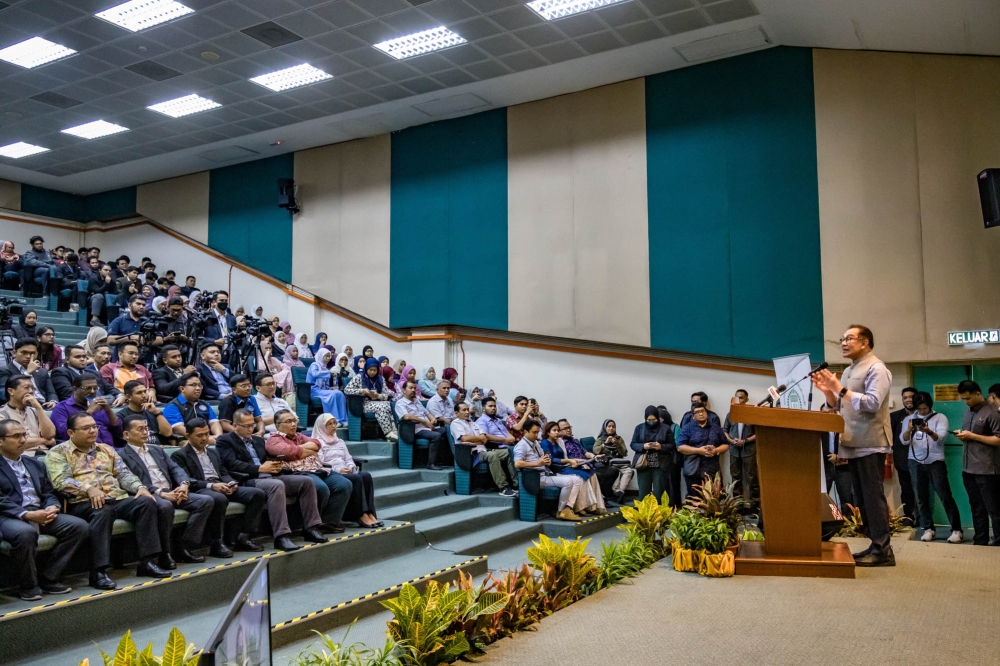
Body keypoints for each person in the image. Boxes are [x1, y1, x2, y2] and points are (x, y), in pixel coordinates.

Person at [45, 412, 169, 589]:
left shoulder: (106, 449)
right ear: (71, 433)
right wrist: (88, 488)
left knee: (146, 502)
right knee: (103, 510)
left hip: (115, 497)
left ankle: (147, 562)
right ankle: (98, 571)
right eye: (86, 428)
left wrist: (139, 487)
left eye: (94, 426)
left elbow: (123, 474)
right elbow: (60, 481)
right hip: (81, 502)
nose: (92, 431)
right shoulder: (58, 452)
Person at [812, 324, 895, 567]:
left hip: (871, 442)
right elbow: (840, 405)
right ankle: (875, 544)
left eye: (850, 338)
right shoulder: (850, 370)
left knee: (872, 497)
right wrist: (828, 393)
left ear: (865, 342)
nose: (844, 343)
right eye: (843, 339)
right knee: (862, 498)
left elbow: (872, 403)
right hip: (852, 442)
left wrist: (839, 388)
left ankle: (883, 550)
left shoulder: (877, 368)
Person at [0, 419, 89, 600]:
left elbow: (49, 492)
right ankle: (28, 586)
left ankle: (49, 577)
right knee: (25, 533)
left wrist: (52, 506)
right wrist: (26, 514)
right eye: (16, 436)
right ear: (1, 441)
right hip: (9, 516)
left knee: (79, 527)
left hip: (40, 511)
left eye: (24, 435)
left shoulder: (35, 464)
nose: (23, 440)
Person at [215, 409, 326, 551]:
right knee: (276, 485)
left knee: (306, 482)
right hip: (248, 479)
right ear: (235, 426)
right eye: (246, 426)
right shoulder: (225, 440)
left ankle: (311, 528)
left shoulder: (258, 440)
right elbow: (230, 463)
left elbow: (269, 458)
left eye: (252, 425)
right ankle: (281, 536)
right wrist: (259, 468)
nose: (250, 429)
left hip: (270, 475)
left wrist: (274, 465)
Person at [118, 413, 215, 567]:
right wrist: (160, 492)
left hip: (172, 491)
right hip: (150, 494)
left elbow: (175, 468)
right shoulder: (121, 455)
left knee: (206, 501)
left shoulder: (156, 449)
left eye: (146, 428)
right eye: (140, 429)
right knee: (165, 506)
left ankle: (184, 546)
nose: (145, 432)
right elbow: (132, 481)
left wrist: (183, 484)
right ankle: (165, 553)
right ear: (126, 434)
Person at [171, 418, 273, 554]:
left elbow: (223, 472)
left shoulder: (213, 452)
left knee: (257, 494)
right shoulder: (179, 455)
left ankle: (244, 536)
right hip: (202, 489)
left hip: (221, 485)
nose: (204, 438)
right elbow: (187, 480)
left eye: (207, 434)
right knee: (219, 498)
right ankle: (217, 542)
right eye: (200, 435)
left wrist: (231, 483)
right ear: (188, 436)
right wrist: (212, 486)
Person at [266, 410, 352, 533]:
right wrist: (305, 450)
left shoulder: (299, 436)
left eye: (294, 421)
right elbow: (289, 452)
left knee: (344, 484)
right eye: (288, 421)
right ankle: (313, 524)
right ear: (277, 425)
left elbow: (316, 444)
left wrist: (297, 450)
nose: (293, 424)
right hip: (295, 473)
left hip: (316, 469)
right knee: (321, 488)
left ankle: (328, 522)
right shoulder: (273, 440)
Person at [900, 391, 962, 543]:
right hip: (915, 461)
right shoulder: (909, 419)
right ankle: (928, 528)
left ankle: (956, 530)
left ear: (930, 406)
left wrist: (928, 431)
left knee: (944, 495)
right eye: (919, 409)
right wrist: (909, 429)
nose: (922, 412)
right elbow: (903, 440)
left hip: (935, 461)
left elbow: (940, 438)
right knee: (920, 497)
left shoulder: (940, 417)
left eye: (925, 408)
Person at [953, 380, 1000, 547]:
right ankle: (980, 541)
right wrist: (963, 435)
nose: (966, 402)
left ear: (978, 394)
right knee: (976, 507)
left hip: (986, 469)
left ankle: (998, 542)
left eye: (968, 398)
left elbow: (998, 439)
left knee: (994, 508)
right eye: (963, 399)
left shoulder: (992, 412)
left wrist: (972, 436)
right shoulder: (968, 412)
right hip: (968, 468)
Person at [313, 413, 380, 528]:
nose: (333, 426)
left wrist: (351, 467)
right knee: (356, 478)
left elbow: (348, 459)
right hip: (331, 473)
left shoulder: (340, 441)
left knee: (366, 476)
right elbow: (320, 463)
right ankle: (360, 515)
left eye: (334, 423)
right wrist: (339, 470)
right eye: (329, 424)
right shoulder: (317, 443)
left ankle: (370, 512)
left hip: (346, 471)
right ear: (321, 426)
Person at [514, 420, 583, 521]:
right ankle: (560, 511)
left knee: (576, 480)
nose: (536, 435)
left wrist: (547, 461)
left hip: (545, 473)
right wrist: (538, 464)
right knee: (568, 482)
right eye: (534, 432)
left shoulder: (536, 443)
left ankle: (567, 509)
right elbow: (517, 463)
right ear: (525, 431)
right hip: (535, 477)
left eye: (537, 432)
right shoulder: (521, 445)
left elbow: (543, 457)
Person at [450, 401, 517, 496]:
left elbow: (484, 439)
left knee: (508, 452)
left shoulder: (473, 423)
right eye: (464, 410)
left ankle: (515, 484)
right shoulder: (455, 424)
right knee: (492, 455)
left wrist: (477, 439)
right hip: (472, 453)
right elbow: (464, 438)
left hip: (483, 449)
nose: (467, 412)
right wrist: (479, 439)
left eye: (467, 409)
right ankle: (503, 487)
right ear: (457, 413)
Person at [542, 421, 606, 515]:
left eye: (558, 430)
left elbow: (567, 456)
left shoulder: (558, 441)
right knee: (580, 476)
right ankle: (578, 507)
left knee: (590, 473)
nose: (557, 432)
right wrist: (570, 461)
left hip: (564, 465)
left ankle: (592, 506)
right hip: (555, 469)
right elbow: (551, 459)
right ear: (548, 432)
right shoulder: (545, 443)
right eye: (554, 430)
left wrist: (581, 460)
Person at [51, 374, 122, 446]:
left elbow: (118, 432)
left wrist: (108, 410)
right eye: (87, 388)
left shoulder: (99, 405)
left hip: (110, 449)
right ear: (75, 389)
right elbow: (65, 434)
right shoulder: (62, 408)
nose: (92, 391)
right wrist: (89, 412)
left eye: (95, 388)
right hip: (82, 449)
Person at [677, 402, 728, 495]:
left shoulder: (715, 427)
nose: (701, 413)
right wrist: (699, 451)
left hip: (712, 470)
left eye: (702, 411)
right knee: (694, 498)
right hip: (694, 470)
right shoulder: (687, 428)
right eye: (697, 412)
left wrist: (716, 450)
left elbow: (725, 444)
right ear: (693, 416)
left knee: (714, 498)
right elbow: (680, 447)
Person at [395, 380, 448, 470]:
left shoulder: (416, 400)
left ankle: (445, 460)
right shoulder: (400, 403)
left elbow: (426, 412)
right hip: (415, 429)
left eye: (414, 388)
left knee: (447, 429)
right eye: (410, 388)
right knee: (437, 436)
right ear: (404, 390)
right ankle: (431, 463)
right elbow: (406, 417)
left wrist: (432, 418)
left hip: (427, 426)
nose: (413, 390)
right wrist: (424, 422)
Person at [630, 405, 677, 506]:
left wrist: (661, 447)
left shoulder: (666, 428)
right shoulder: (639, 428)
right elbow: (633, 444)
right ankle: (643, 514)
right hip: (644, 465)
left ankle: (658, 514)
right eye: (649, 420)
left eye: (654, 419)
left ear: (658, 418)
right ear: (645, 418)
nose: (651, 422)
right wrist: (643, 446)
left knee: (659, 493)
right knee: (643, 493)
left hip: (660, 465)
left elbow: (672, 445)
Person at [343, 358, 399, 442]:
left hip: (378, 402)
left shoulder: (381, 379)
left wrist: (378, 396)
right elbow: (346, 390)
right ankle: (388, 433)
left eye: (375, 370)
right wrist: (361, 391)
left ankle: (393, 431)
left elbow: (386, 395)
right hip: (364, 403)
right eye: (370, 370)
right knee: (382, 407)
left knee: (388, 405)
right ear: (366, 368)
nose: (372, 372)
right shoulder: (359, 377)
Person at [0, 375, 56, 456]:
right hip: (22, 455)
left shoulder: (35, 410)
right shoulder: (2, 413)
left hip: (46, 453)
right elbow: (13, 443)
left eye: (32, 388)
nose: (30, 391)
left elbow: (50, 435)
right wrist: (45, 441)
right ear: (11, 391)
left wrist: (39, 407)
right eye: (26, 388)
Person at [724, 389, 759, 512]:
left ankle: (755, 507)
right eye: (737, 397)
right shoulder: (730, 414)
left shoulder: (752, 414)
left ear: (747, 399)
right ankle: (738, 506)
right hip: (734, 450)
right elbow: (725, 431)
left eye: (741, 398)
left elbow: (758, 433)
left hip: (749, 450)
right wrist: (731, 440)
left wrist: (745, 441)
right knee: (736, 479)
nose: (739, 400)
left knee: (752, 478)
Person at [889, 386, 918, 526]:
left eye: (911, 397)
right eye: (905, 397)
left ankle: (924, 518)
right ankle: (908, 516)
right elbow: (890, 439)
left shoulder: (924, 415)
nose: (908, 400)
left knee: (922, 488)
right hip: (902, 459)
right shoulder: (895, 416)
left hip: (922, 459)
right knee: (906, 489)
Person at [162, 374, 222, 441]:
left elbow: (214, 423)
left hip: (208, 438)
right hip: (186, 441)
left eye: (199, 385)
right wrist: (204, 439)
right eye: (193, 385)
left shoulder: (204, 404)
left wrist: (218, 437)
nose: (198, 388)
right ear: (182, 389)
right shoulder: (173, 406)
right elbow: (178, 429)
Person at [0, 338, 58, 408]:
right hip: (21, 407)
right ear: (14, 353)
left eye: (32, 353)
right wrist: (27, 373)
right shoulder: (4, 370)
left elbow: (51, 392)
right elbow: (4, 396)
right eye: (24, 353)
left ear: (37, 354)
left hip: (44, 406)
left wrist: (53, 401)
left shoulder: (42, 371)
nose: (28, 356)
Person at [116, 380, 173, 446]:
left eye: (145, 392)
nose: (144, 395)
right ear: (128, 397)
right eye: (139, 393)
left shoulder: (153, 411)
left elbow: (168, 433)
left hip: (157, 448)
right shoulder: (121, 416)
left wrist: (157, 412)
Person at [821, 402, 854, 515]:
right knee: (823, 497)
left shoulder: (844, 428)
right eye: (824, 414)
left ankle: (848, 521)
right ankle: (828, 519)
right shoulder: (818, 429)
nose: (828, 415)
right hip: (825, 469)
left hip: (843, 468)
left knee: (846, 499)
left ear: (835, 413)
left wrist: (839, 457)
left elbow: (851, 447)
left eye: (830, 412)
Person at [593, 419, 634, 502]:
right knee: (615, 471)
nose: (611, 428)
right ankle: (616, 492)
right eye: (609, 426)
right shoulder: (600, 439)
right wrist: (605, 444)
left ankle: (619, 491)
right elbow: (595, 451)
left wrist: (617, 444)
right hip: (607, 463)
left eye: (613, 427)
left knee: (629, 471)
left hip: (619, 462)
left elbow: (624, 453)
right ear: (605, 427)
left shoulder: (619, 438)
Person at [307, 348, 348, 423]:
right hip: (314, 391)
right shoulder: (314, 365)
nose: (328, 358)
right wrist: (329, 372)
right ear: (321, 356)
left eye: (329, 356)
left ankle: (344, 420)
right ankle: (334, 420)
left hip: (322, 391)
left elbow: (325, 386)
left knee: (339, 393)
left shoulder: (325, 368)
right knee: (333, 395)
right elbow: (314, 374)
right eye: (326, 356)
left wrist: (330, 388)